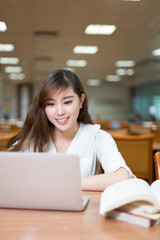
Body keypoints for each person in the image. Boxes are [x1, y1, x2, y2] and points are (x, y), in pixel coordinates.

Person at [7, 69, 134, 191]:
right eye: (51, 104)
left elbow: (122, 177)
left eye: (67, 102)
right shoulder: (33, 138)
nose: (60, 112)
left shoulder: (97, 136)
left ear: (81, 101)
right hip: (38, 210)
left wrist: (67, 182)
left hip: (82, 210)